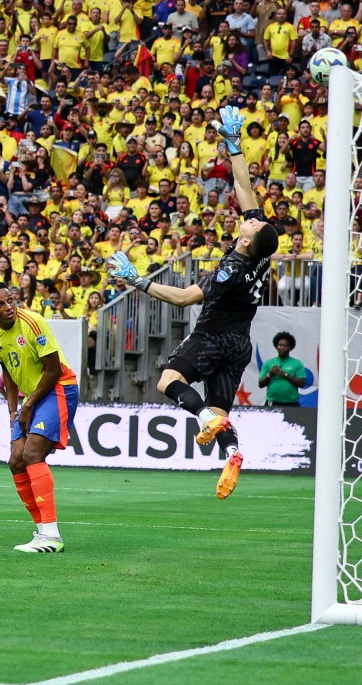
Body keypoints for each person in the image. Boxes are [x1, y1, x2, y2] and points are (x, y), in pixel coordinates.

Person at [107, 105, 280, 499]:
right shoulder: (260, 253)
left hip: (214, 337)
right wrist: (234, 147)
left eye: (253, 223)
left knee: (169, 381)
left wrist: (139, 282)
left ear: (248, 240)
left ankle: (203, 417)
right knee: (222, 415)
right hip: (240, 345)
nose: (251, 217)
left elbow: (185, 299)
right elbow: (244, 190)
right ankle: (233, 453)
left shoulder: (232, 268)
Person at [0, 282, 79, 553]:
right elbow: (8, 370)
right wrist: (13, 409)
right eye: (0, 304)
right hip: (30, 397)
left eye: (10, 300)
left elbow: (53, 370)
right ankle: (41, 531)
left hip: (59, 388)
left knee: (33, 454)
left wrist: (27, 406)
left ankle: (52, 535)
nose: (8, 307)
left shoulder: (33, 322)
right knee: (16, 461)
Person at [258, 331, 306, 407]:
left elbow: (302, 383)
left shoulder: (297, 363)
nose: (282, 348)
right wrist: (270, 374)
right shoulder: (268, 363)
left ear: (290, 347)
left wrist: (283, 374)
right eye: (280, 345)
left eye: (285, 345)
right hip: (272, 402)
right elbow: (260, 384)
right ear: (276, 346)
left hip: (292, 403)